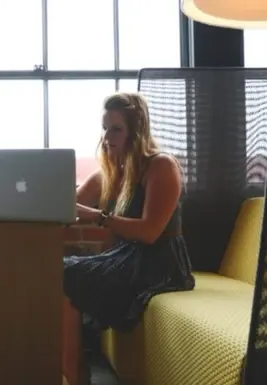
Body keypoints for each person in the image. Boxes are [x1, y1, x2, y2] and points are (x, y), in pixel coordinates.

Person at [63, 91, 196, 347]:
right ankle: (72, 367)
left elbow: (149, 232)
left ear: (135, 132)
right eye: (104, 129)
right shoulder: (111, 172)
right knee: (59, 271)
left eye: (116, 129)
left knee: (66, 273)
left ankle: (73, 371)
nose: (107, 138)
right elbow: (68, 206)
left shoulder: (161, 166)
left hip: (160, 264)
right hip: (125, 258)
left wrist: (98, 217)